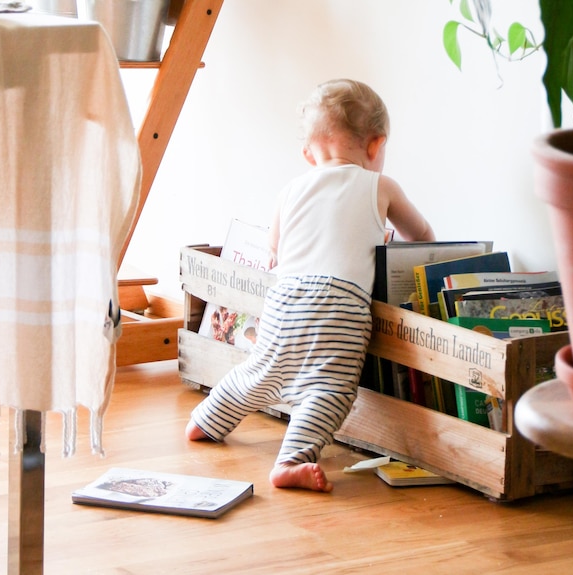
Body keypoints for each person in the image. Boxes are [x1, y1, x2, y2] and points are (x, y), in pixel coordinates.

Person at [185, 79, 435, 492]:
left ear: (308, 153)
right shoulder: (381, 186)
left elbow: (274, 251)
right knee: (330, 387)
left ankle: (206, 420)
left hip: (286, 298)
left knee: (261, 371)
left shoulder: (290, 190)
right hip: (341, 304)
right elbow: (422, 237)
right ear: (376, 146)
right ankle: (291, 460)